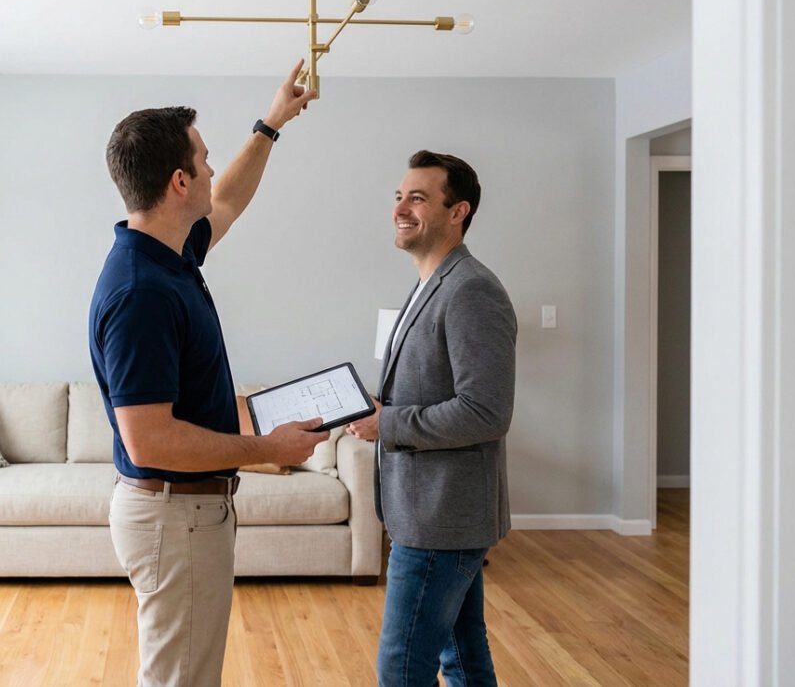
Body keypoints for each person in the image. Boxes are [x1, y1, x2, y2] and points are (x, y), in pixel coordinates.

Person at [88, 60, 326, 687]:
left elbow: (229, 200)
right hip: (175, 517)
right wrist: (266, 448)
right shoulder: (142, 291)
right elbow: (151, 439)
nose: (212, 169)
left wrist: (272, 122)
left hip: (185, 515)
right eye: (204, 158)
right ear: (177, 181)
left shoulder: (166, 252)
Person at [346, 150, 516, 687]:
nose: (401, 207)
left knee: (400, 669)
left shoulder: (472, 290)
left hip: (441, 518)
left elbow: (486, 411)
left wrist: (388, 423)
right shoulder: (429, 283)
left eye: (418, 197)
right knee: (463, 660)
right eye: (399, 196)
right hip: (425, 512)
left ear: (457, 211)